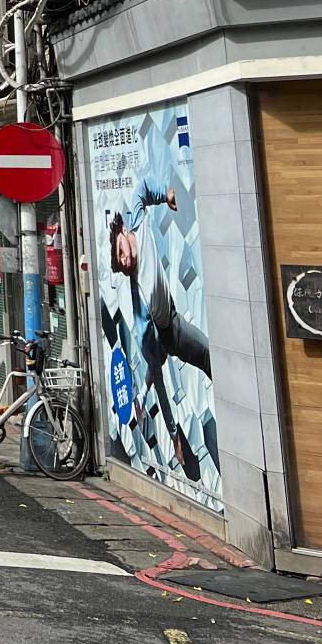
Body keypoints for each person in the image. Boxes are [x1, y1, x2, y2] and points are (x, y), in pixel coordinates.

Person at [108, 169, 213, 483]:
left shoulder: (136, 222)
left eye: (121, 252)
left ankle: (142, 395)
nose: (125, 260)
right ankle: (174, 435)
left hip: (171, 319)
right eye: (120, 263)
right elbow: (160, 375)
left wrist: (165, 194)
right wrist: (173, 432)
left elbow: (142, 189)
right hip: (167, 333)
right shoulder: (137, 294)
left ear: (124, 232)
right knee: (172, 364)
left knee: (196, 357)